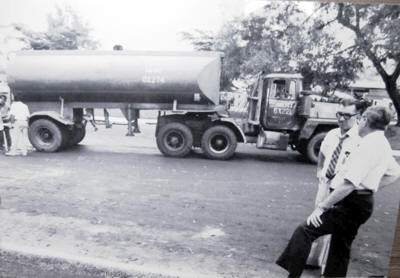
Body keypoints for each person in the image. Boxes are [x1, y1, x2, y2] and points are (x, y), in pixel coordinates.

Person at [276, 105, 400, 278]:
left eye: (360, 118)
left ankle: (293, 275)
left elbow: (349, 184)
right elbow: (394, 173)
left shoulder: (369, 145)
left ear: (364, 120)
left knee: (305, 231)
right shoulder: (381, 143)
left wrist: (322, 207)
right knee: (340, 246)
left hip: (352, 203)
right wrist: (369, 188)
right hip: (361, 202)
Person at [306, 99, 365, 271]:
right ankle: (313, 260)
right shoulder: (332, 134)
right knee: (317, 219)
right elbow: (323, 155)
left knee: (337, 227)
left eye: (347, 115)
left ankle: (328, 267)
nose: (341, 119)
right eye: (339, 114)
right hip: (325, 183)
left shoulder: (360, 140)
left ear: (358, 116)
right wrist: (320, 172)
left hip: (342, 188)